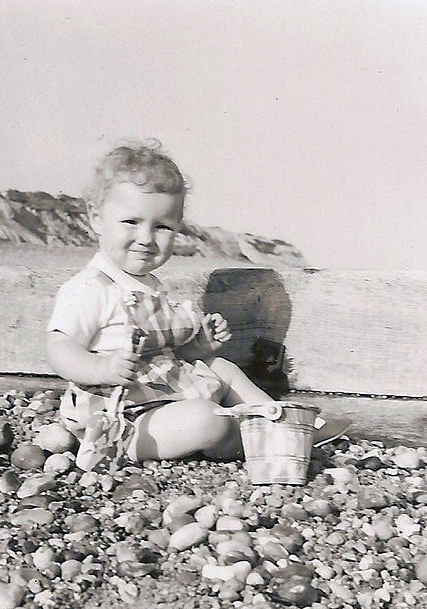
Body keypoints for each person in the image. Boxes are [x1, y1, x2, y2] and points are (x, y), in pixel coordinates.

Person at [46, 141, 348, 471]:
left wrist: (200, 346)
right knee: (207, 419)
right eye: (131, 222)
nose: (146, 238)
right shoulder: (90, 288)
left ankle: (276, 418)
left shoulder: (149, 287)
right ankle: (247, 439)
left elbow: (167, 360)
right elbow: (60, 348)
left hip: (160, 399)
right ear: (96, 219)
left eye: (162, 227)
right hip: (120, 420)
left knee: (221, 366)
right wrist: (99, 369)